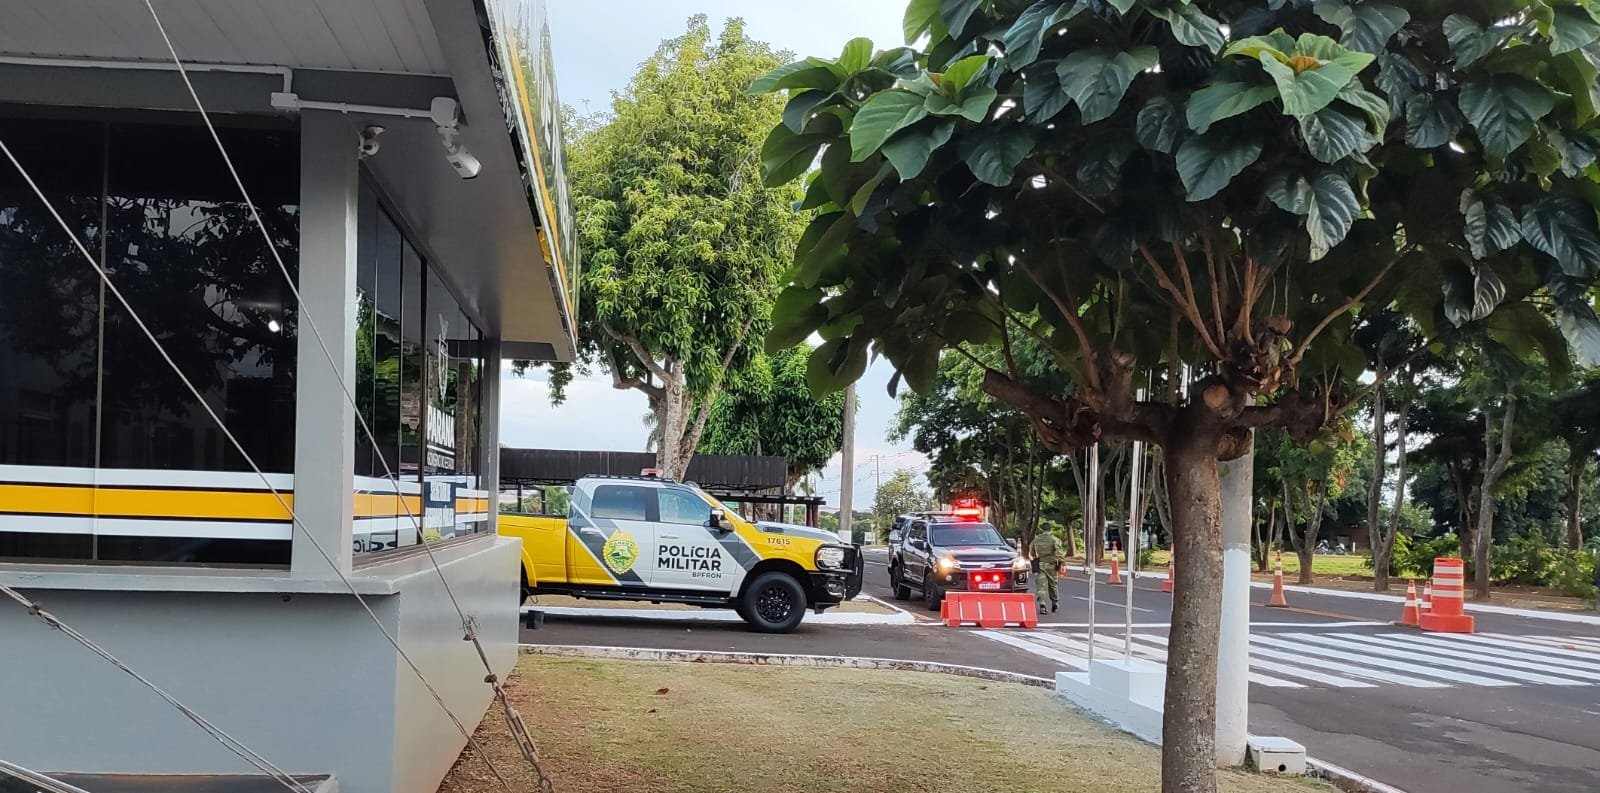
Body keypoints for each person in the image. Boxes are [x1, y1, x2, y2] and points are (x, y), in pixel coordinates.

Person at [1030, 526, 1066, 613]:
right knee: (1053, 585)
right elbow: (1059, 552)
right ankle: (1054, 602)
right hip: (1051, 565)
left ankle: (1042, 604)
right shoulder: (1054, 539)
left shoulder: (1036, 539)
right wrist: (1062, 563)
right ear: (1050, 530)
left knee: (1040, 586)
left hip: (1040, 565)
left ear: (1042, 529)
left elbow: (1032, 552)